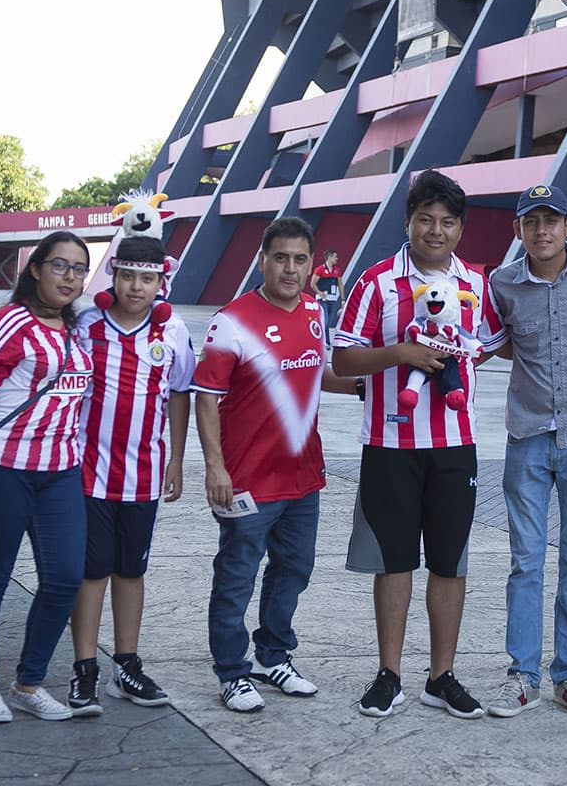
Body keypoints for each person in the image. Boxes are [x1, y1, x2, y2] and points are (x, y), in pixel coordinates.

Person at [333, 169, 506, 720]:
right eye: (426, 219)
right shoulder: (377, 281)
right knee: (395, 561)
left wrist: (465, 360)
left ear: (460, 228)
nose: (436, 230)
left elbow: (493, 339)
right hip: (390, 441)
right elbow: (342, 358)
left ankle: (442, 676)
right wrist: (403, 354)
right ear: (408, 221)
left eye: (448, 222)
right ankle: (390, 675)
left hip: (456, 444)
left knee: (450, 563)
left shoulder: (476, 284)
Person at [193, 216, 356, 713]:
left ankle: (272, 655)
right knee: (237, 575)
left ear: (313, 264)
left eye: (300, 259)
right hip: (247, 480)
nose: (290, 268)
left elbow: (315, 373)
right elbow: (205, 398)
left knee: (294, 569)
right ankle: (232, 671)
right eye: (280, 258)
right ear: (262, 260)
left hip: (302, 477)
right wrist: (215, 468)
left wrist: (365, 384)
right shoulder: (232, 319)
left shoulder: (312, 310)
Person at [0, 230, 95, 723]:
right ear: (36, 269)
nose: (69, 277)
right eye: (59, 266)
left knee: (65, 578)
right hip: (4, 469)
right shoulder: (10, 323)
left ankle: (29, 682)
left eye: (78, 268)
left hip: (60, 472)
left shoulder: (77, 329)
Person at [485, 184, 567, 719]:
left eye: (552, 220)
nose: (541, 230)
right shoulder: (502, 285)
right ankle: (522, 676)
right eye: (530, 221)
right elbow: (494, 343)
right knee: (525, 562)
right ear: (518, 230)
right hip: (527, 440)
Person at [66, 236, 196, 717]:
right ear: (113, 277)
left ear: (160, 281)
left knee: (131, 569)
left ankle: (126, 664)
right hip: (87, 471)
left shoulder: (173, 331)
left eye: (147, 278)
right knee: (92, 569)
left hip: (142, 473)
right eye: (126, 276)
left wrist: (177, 459)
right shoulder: (87, 324)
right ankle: (84, 670)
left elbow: (181, 393)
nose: (136, 286)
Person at [309, 249, 345, 346]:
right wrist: (319, 293)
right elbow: (312, 284)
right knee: (325, 320)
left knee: (328, 323)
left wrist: (342, 300)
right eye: (335, 257)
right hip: (322, 299)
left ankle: (326, 341)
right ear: (329, 257)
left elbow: (340, 285)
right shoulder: (319, 269)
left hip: (332, 300)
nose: (337, 259)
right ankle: (323, 342)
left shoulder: (337, 270)